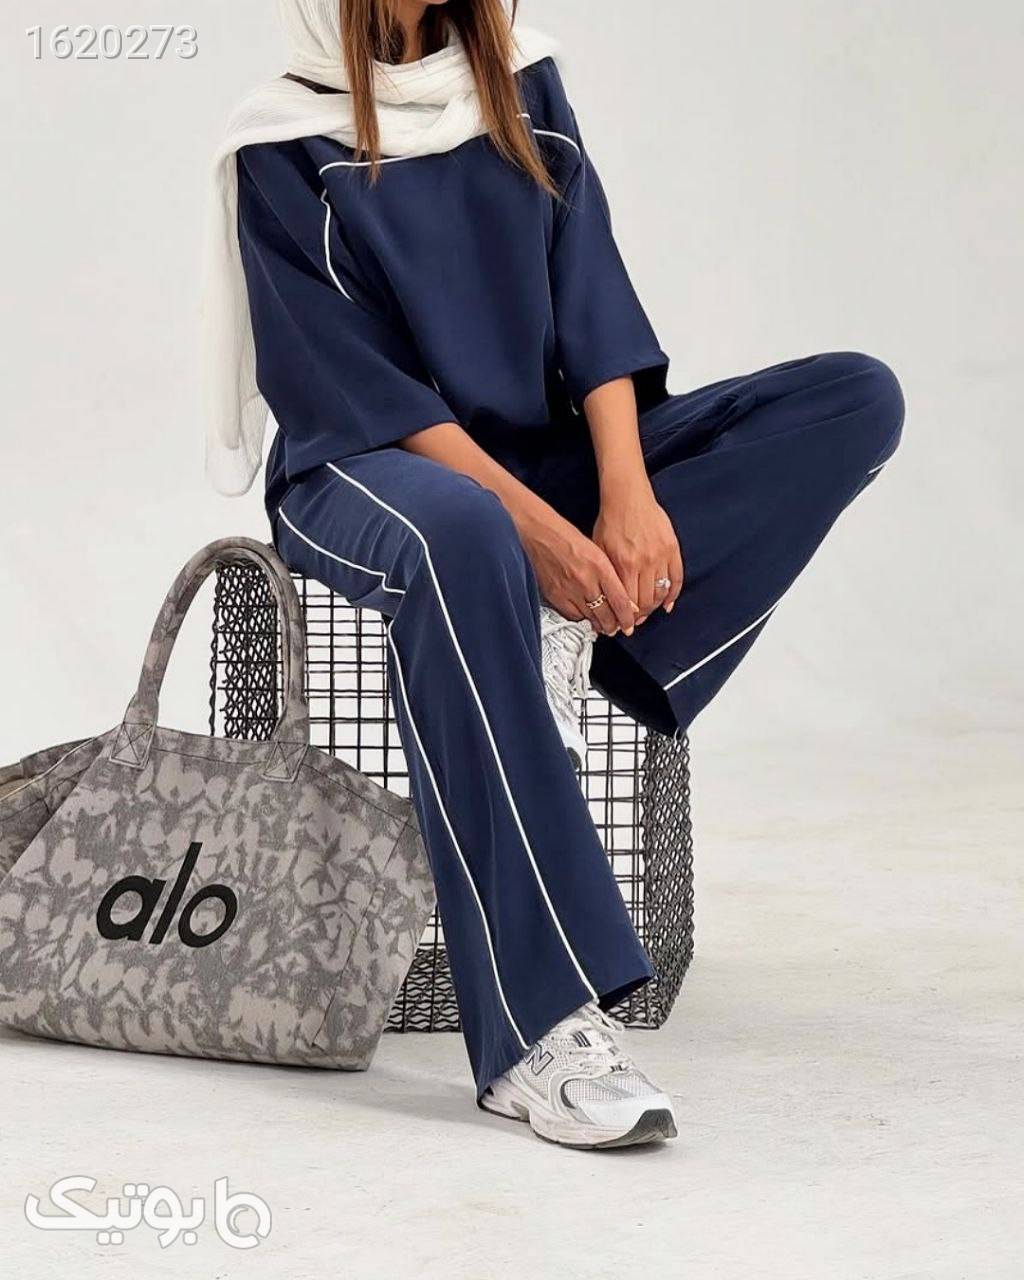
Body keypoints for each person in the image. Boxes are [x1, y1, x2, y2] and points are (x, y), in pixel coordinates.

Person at [202, 0, 904, 1150]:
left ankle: (573, 634)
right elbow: (356, 386)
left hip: (541, 453)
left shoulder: (524, 86)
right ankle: (537, 1034)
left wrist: (624, 493)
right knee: (464, 535)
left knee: (852, 398)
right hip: (365, 461)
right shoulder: (282, 136)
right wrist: (534, 530)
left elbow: (593, 301)